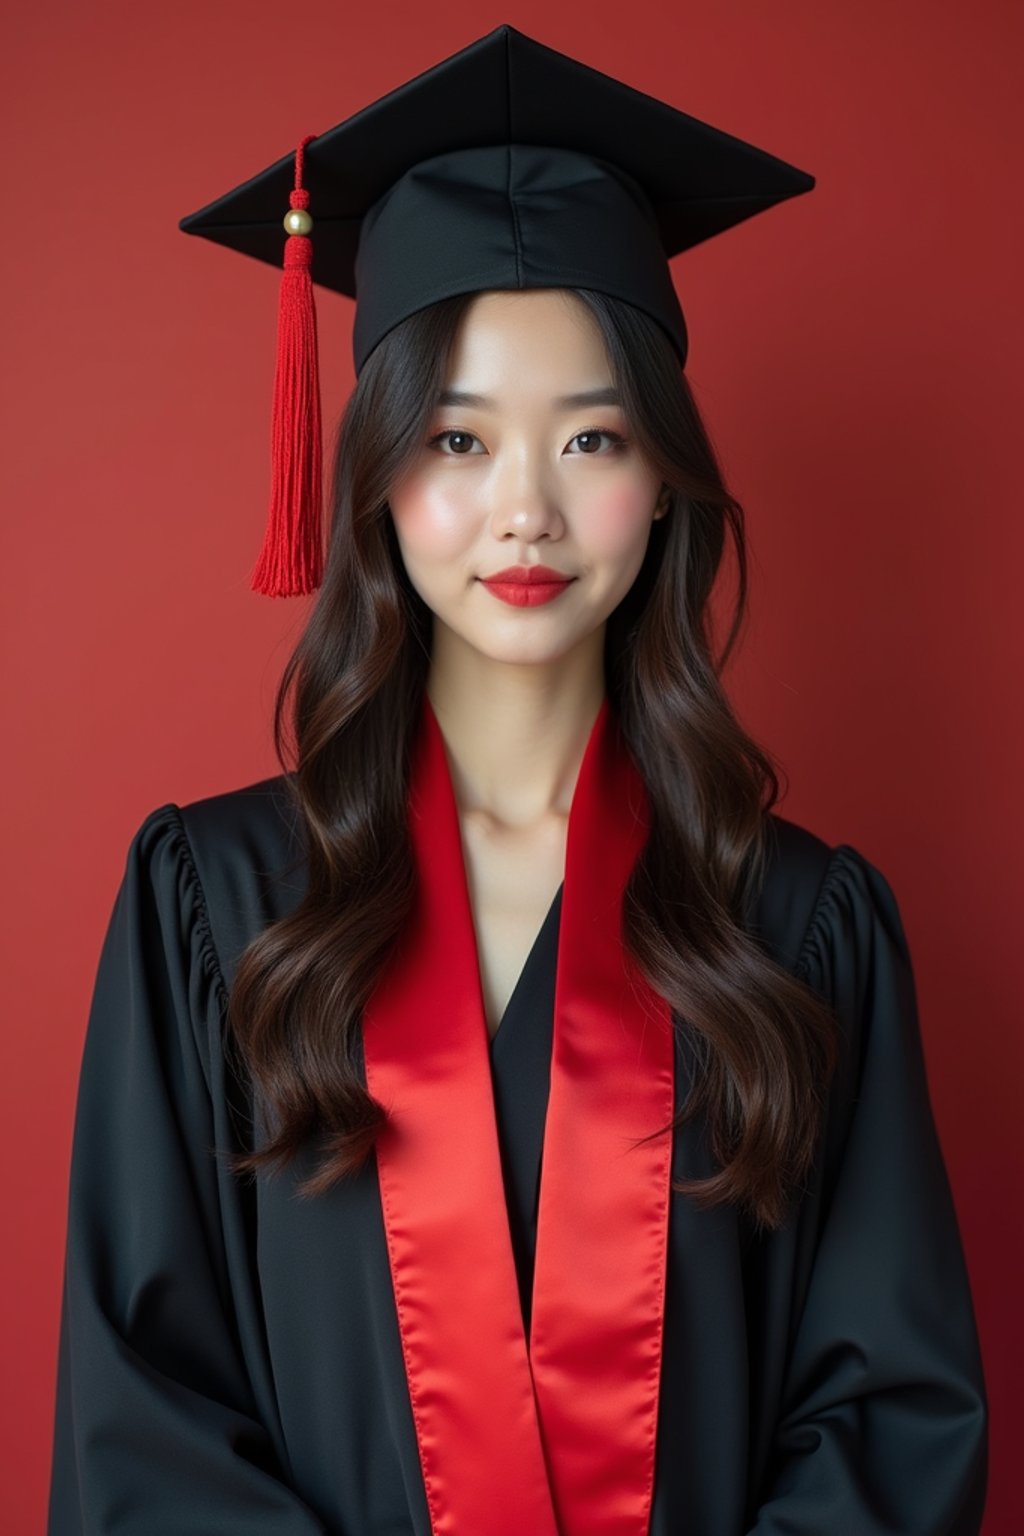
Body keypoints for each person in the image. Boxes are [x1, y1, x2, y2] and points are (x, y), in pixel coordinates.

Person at [47, 23, 988, 1536]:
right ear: (374, 478)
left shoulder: (800, 927)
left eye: (592, 435)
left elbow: (885, 1420)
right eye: (459, 438)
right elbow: (143, 1412)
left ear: (664, 477)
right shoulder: (214, 912)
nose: (526, 512)